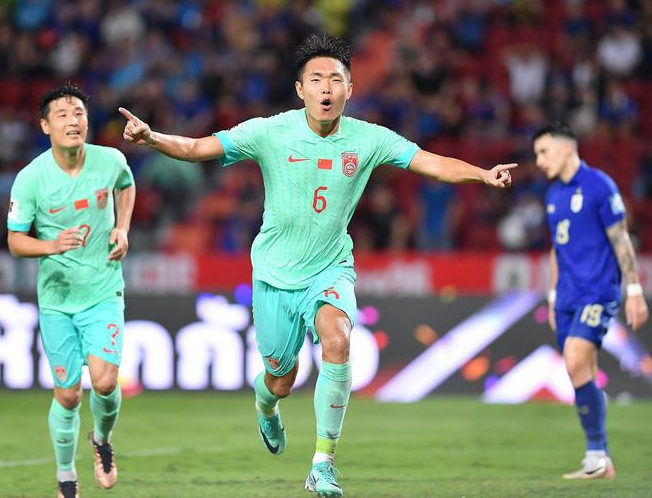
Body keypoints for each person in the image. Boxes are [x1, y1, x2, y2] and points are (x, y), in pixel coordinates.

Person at [120, 34, 516, 497]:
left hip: (330, 269)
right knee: (280, 380)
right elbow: (195, 148)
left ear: (350, 89)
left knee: (338, 339)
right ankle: (266, 403)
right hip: (274, 275)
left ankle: (323, 463)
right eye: (316, 79)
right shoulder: (270, 132)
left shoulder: (369, 138)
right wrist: (151, 138)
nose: (326, 88)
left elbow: (430, 163)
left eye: (335, 80)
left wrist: (482, 174)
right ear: (300, 89)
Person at [7, 82, 136, 498]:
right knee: (67, 395)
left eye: (78, 112)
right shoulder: (30, 179)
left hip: (103, 290)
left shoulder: (110, 160)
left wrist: (122, 227)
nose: (73, 120)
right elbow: (15, 241)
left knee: (105, 382)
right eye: (62, 115)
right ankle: (65, 474)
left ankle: (101, 439)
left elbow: (126, 185)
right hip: (58, 300)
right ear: (45, 126)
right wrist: (51, 245)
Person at [533, 121, 648, 480]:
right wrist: (553, 294)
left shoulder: (599, 186)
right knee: (581, 371)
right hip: (566, 296)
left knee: (574, 359)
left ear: (567, 147)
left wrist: (634, 290)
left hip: (598, 291)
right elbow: (557, 249)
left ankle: (597, 453)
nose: (539, 161)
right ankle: (599, 459)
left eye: (544, 152)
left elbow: (621, 239)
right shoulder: (553, 195)